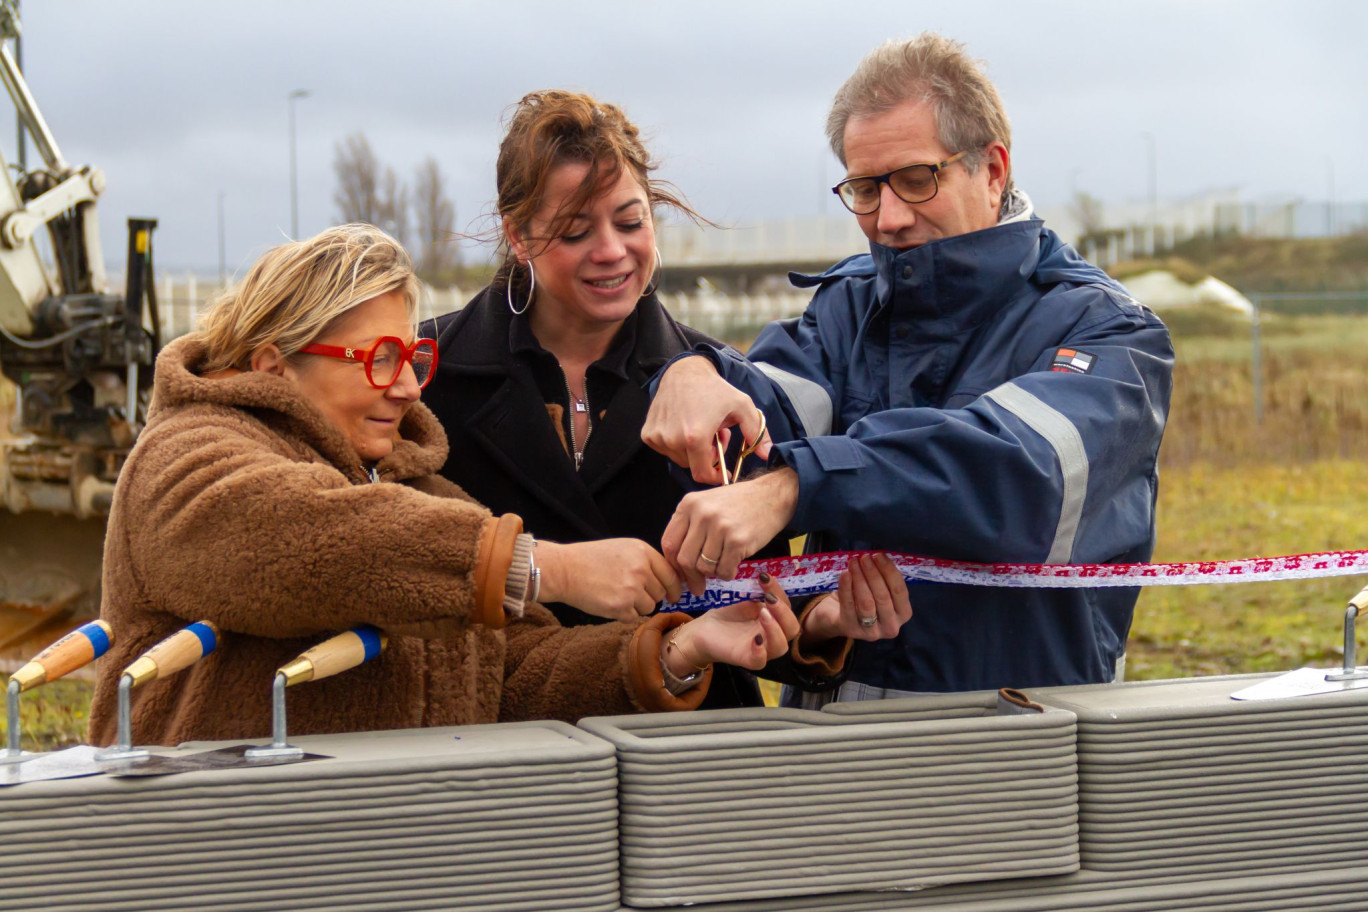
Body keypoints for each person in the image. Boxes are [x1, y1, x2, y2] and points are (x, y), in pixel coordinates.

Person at [88, 224, 811, 748]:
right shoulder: (188, 455)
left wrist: (676, 650)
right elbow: (298, 539)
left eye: (412, 356)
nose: (405, 387)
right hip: (208, 856)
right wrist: (544, 566)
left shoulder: (429, 496)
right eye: (377, 359)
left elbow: (519, 674)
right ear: (275, 365)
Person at [642, 33, 1174, 701]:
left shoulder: (1110, 332)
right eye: (865, 189)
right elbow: (760, 424)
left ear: (993, 169)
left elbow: (1013, 473)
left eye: (917, 179)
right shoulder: (843, 311)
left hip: (1022, 747)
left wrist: (793, 486)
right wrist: (694, 376)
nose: (888, 218)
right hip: (840, 750)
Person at [423, 90, 910, 707]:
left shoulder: (726, 384)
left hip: (689, 760)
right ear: (518, 236)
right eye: (575, 231)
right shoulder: (423, 375)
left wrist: (816, 626)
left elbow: (754, 606)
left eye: (631, 222)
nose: (611, 251)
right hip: (504, 752)